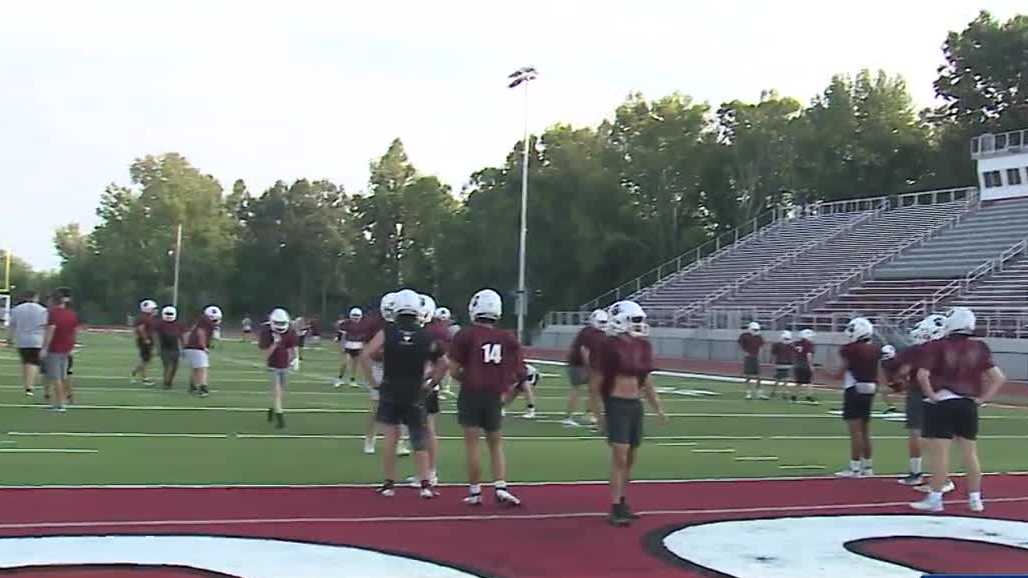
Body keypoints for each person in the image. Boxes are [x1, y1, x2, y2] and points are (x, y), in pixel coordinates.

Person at [910, 307, 1005, 513]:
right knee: (970, 453)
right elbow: (998, 378)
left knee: (940, 454)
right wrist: (981, 399)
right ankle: (975, 499)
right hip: (968, 404)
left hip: (943, 403)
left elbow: (922, 375)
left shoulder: (936, 346)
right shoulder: (980, 347)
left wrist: (932, 396)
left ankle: (935, 499)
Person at [360, 289, 445, 499]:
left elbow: (365, 354)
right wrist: (431, 382)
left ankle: (389, 484)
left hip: (390, 388)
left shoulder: (387, 331)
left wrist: (373, 382)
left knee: (391, 437)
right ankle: (425, 484)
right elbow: (444, 363)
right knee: (419, 437)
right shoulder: (427, 335)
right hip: (416, 390)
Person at [588, 300, 667, 526]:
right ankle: (614, 505)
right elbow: (596, 383)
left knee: (630, 458)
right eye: (635, 320)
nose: (640, 325)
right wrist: (599, 415)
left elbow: (647, 381)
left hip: (634, 404)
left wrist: (658, 408)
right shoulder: (609, 346)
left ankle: (622, 499)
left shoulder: (642, 346)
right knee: (620, 456)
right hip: (616, 403)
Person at [449, 288, 523, 507]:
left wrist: (469, 377)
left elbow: (453, 370)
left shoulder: (465, 334)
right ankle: (500, 486)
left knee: (472, 445)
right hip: (494, 394)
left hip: (471, 392)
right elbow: (518, 372)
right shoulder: (507, 337)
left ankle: (475, 492)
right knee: (496, 444)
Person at [834, 317, 880, 478]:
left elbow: (841, 372)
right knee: (866, 431)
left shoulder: (850, 349)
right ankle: (868, 467)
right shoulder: (875, 349)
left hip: (854, 389)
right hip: (870, 389)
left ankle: (854, 467)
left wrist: (830, 374)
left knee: (856, 432)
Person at [564, 309, 608, 427]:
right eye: (601, 322)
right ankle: (569, 417)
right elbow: (585, 351)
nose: (603, 324)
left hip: (578, 363)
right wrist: (589, 366)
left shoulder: (589, 331)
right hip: (580, 365)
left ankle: (589, 413)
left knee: (593, 390)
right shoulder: (590, 333)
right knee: (579, 389)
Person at [259, 308, 299, 429]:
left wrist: (296, 359)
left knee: (280, 392)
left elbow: (293, 346)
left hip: (284, 365)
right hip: (272, 365)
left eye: (282, 323)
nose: (280, 326)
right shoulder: (266, 332)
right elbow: (265, 355)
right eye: (278, 323)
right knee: (276, 391)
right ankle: (280, 418)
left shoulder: (290, 331)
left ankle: (272, 409)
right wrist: (275, 344)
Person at [40, 287, 78, 412]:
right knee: (62, 376)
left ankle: (60, 404)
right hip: (66, 348)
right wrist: (72, 346)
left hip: (55, 348)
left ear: (53, 300)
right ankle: (64, 400)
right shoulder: (71, 313)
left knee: (55, 377)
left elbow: (51, 330)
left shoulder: (53, 313)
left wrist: (44, 348)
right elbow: (74, 332)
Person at [7, 290, 48, 396]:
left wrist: (9, 339)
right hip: (37, 340)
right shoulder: (43, 310)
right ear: (36, 298)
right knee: (33, 363)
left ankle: (27, 385)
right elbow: (46, 326)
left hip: (22, 340)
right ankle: (30, 386)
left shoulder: (16, 309)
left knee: (26, 362)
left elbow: (12, 325)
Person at [184, 305, 222, 397]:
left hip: (190, 346)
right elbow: (201, 333)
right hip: (197, 347)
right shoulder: (206, 323)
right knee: (202, 368)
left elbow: (189, 332)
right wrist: (204, 346)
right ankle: (203, 388)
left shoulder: (200, 320)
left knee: (195, 368)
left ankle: (192, 386)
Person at [336, 307, 367, 388]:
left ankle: (352, 380)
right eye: (354, 315)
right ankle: (339, 378)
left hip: (358, 346)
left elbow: (365, 337)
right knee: (345, 362)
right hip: (348, 345)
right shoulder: (345, 324)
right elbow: (342, 336)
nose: (356, 317)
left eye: (357, 315)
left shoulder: (364, 324)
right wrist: (341, 345)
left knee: (355, 364)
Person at [155, 306, 185, 389]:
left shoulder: (179, 324)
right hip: (164, 348)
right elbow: (156, 336)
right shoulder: (159, 324)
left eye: (170, 314)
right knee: (167, 366)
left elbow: (181, 336)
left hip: (175, 349)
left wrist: (183, 347)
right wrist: (158, 348)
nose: (169, 315)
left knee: (175, 367)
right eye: (167, 314)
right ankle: (166, 383)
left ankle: (170, 381)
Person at [131, 299, 158, 385]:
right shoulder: (143, 318)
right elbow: (141, 329)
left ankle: (135, 372)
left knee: (146, 360)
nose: (155, 310)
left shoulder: (149, 318)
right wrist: (146, 339)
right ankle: (144, 378)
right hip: (145, 341)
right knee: (145, 360)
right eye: (153, 308)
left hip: (147, 340)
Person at [738, 322, 765, 399]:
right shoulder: (744, 336)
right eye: (754, 329)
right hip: (748, 357)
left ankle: (759, 392)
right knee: (748, 376)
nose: (756, 331)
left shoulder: (759, 337)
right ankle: (748, 392)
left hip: (755, 357)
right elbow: (740, 345)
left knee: (759, 376)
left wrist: (759, 355)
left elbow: (761, 347)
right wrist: (744, 353)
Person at [791, 328, 817, 403]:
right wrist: (811, 365)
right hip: (805, 364)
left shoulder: (796, 343)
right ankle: (809, 396)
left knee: (798, 383)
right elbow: (808, 355)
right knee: (809, 382)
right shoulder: (809, 344)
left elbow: (794, 351)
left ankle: (794, 397)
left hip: (797, 364)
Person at [770, 331, 795, 399]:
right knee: (784, 379)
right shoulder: (790, 345)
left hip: (781, 363)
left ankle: (775, 392)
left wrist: (772, 363)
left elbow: (773, 354)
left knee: (780, 379)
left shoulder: (778, 344)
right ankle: (782, 393)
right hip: (784, 363)